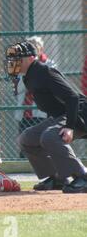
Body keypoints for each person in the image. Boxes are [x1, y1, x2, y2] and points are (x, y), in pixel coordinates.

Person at [5, 40, 87, 193]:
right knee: (27, 138)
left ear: (30, 58)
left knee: (50, 136)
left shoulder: (45, 72)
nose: (13, 63)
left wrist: (69, 127)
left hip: (79, 115)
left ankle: (83, 176)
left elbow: (73, 98)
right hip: (62, 115)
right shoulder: (28, 76)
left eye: (18, 59)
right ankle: (57, 177)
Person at [14, 37, 51, 158]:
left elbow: (43, 85)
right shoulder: (21, 66)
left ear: (41, 49)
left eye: (35, 48)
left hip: (42, 111)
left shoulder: (49, 64)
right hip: (26, 111)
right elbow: (19, 89)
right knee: (24, 140)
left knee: (41, 140)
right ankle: (24, 162)